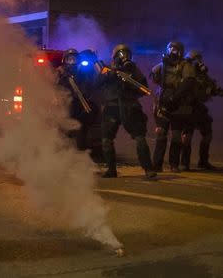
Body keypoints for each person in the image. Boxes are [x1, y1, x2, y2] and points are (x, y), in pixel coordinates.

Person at [97, 44, 156, 179]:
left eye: (126, 54)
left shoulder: (134, 69)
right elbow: (97, 82)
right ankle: (111, 170)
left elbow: (144, 89)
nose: (123, 57)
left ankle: (148, 169)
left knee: (140, 138)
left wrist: (129, 81)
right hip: (112, 106)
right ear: (114, 56)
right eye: (120, 54)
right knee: (106, 139)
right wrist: (111, 73)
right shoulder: (107, 68)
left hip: (130, 106)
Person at [150, 41, 197, 172]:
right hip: (164, 103)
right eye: (171, 48)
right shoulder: (163, 65)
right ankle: (157, 164)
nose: (173, 51)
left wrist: (175, 97)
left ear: (181, 51)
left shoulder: (185, 65)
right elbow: (153, 75)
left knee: (176, 136)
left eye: (175, 49)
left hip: (178, 104)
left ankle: (174, 164)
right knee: (161, 133)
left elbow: (188, 83)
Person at [182, 50, 223, 170]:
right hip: (188, 107)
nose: (199, 62)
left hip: (199, 108)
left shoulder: (204, 76)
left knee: (207, 135)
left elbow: (211, 88)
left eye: (199, 59)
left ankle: (203, 161)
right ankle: (184, 163)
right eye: (196, 59)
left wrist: (219, 91)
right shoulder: (186, 74)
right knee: (187, 137)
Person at [56, 48, 96, 151]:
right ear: (65, 60)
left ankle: (80, 157)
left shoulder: (82, 74)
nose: (72, 62)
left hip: (80, 108)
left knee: (80, 135)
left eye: (74, 59)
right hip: (64, 108)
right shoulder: (60, 73)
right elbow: (54, 87)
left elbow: (90, 86)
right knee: (64, 134)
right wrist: (62, 77)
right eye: (70, 59)